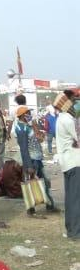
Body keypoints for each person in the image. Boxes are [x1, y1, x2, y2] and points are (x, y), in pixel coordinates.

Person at [13, 105, 56, 213]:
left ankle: (48, 205)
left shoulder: (27, 125)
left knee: (42, 182)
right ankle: (32, 208)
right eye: (28, 113)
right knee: (32, 183)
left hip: (37, 158)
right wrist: (29, 166)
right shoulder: (21, 128)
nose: (29, 114)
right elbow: (23, 149)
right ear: (23, 115)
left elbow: (38, 139)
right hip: (31, 160)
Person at [55, 90, 80, 239]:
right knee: (76, 199)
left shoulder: (62, 118)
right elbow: (78, 139)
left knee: (71, 198)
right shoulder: (69, 120)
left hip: (67, 162)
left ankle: (71, 229)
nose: (75, 103)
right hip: (75, 162)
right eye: (73, 101)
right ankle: (76, 232)